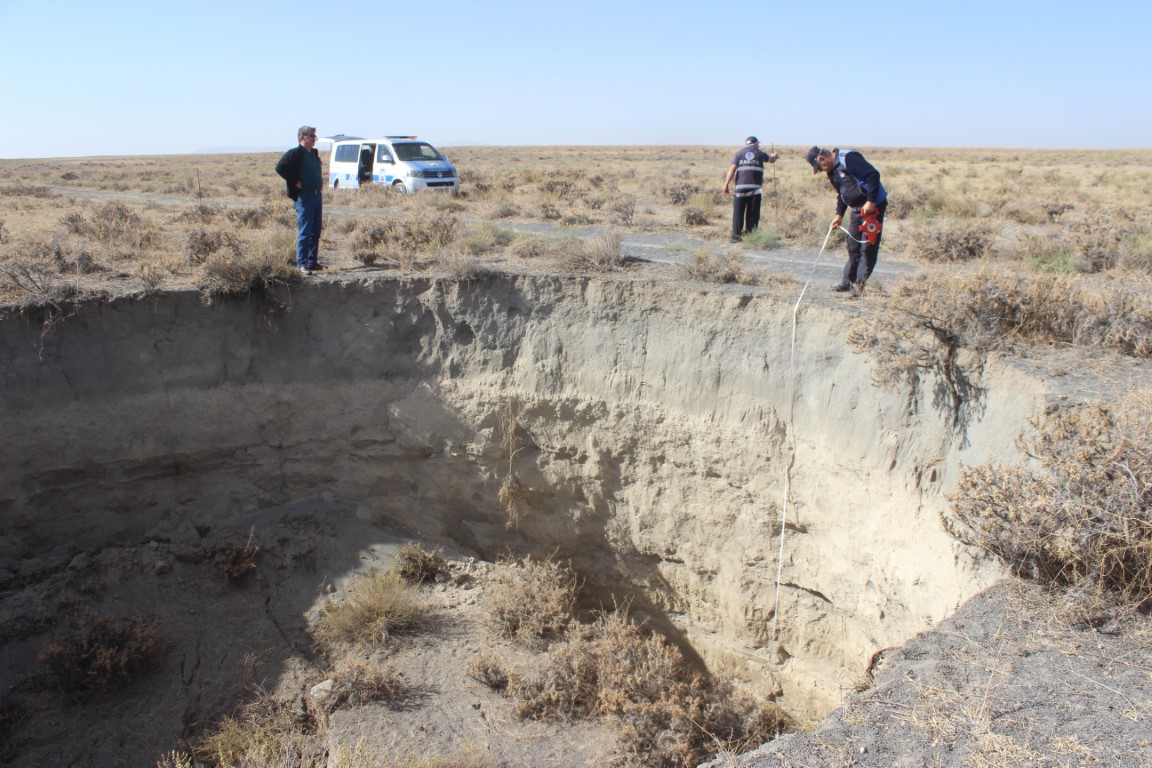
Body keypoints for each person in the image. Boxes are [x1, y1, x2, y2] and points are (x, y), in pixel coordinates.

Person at [807, 146, 888, 297]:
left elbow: (873, 175)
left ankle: (858, 286)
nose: (822, 171)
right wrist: (839, 214)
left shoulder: (848, 158)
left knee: (867, 248)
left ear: (823, 159)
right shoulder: (832, 171)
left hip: (872, 209)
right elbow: (842, 193)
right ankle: (847, 281)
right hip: (856, 209)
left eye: (820, 167)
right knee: (852, 246)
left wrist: (870, 201)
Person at [275, 126, 325, 275]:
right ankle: (301, 264)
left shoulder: (313, 153)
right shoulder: (296, 153)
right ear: (303, 137)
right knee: (305, 231)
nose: (314, 139)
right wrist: (294, 180)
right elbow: (280, 168)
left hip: (317, 196)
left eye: (315, 136)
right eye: (312, 136)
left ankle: (312, 261)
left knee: (316, 231)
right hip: (305, 197)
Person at [722, 137, 779, 243]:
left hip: (740, 189)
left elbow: (732, 169)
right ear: (755, 143)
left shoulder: (739, 154)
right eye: (758, 144)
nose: (759, 146)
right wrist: (775, 156)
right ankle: (750, 235)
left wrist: (726, 185)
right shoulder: (760, 154)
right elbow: (771, 160)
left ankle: (736, 236)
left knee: (738, 213)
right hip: (755, 189)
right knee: (753, 213)